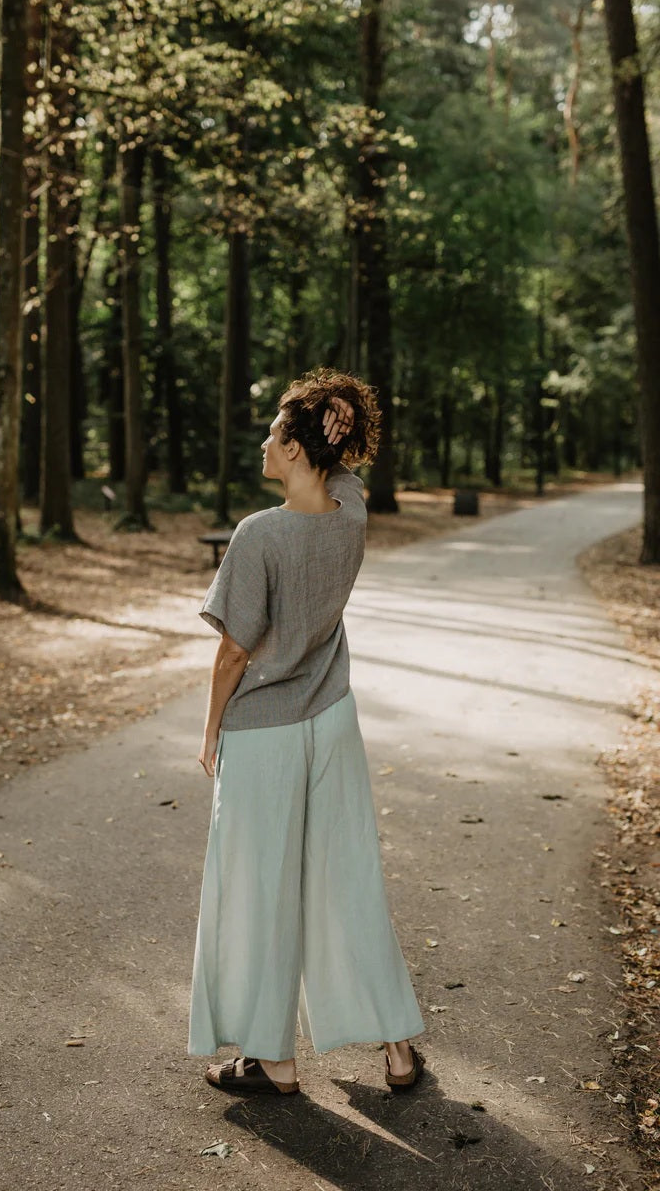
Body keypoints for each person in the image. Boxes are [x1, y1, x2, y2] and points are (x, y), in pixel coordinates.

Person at [188, 368, 425, 1096]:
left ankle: (273, 1060)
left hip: (264, 732)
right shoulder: (350, 516)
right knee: (348, 878)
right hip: (333, 718)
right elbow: (345, 475)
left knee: (258, 889)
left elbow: (234, 650)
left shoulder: (258, 534)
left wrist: (210, 730)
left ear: (295, 448)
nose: (263, 444)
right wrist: (338, 411)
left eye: (273, 433)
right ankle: (399, 1052)